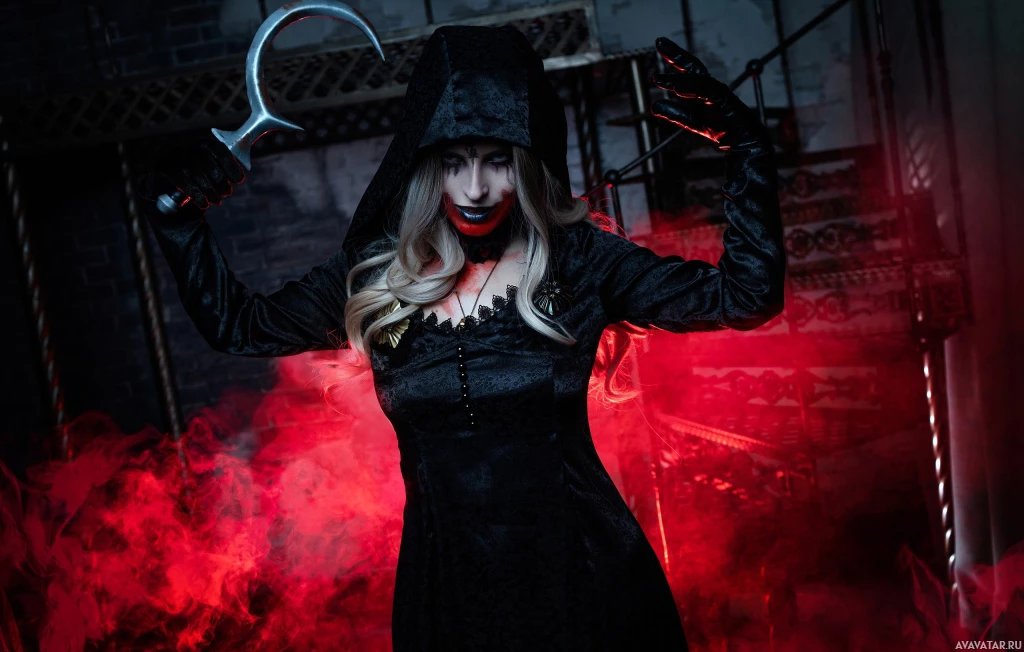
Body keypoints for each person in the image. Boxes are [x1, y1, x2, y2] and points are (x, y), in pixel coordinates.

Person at [139, 25, 785, 652]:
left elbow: (744, 295)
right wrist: (180, 219)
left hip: (589, 586)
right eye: (454, 163)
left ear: (526, 164)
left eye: (497, 161)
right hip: (446, 597)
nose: (475, 188)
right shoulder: (376, 276)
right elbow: (238, 326)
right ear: (426, 167)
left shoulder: (581, 261)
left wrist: (747, 151)